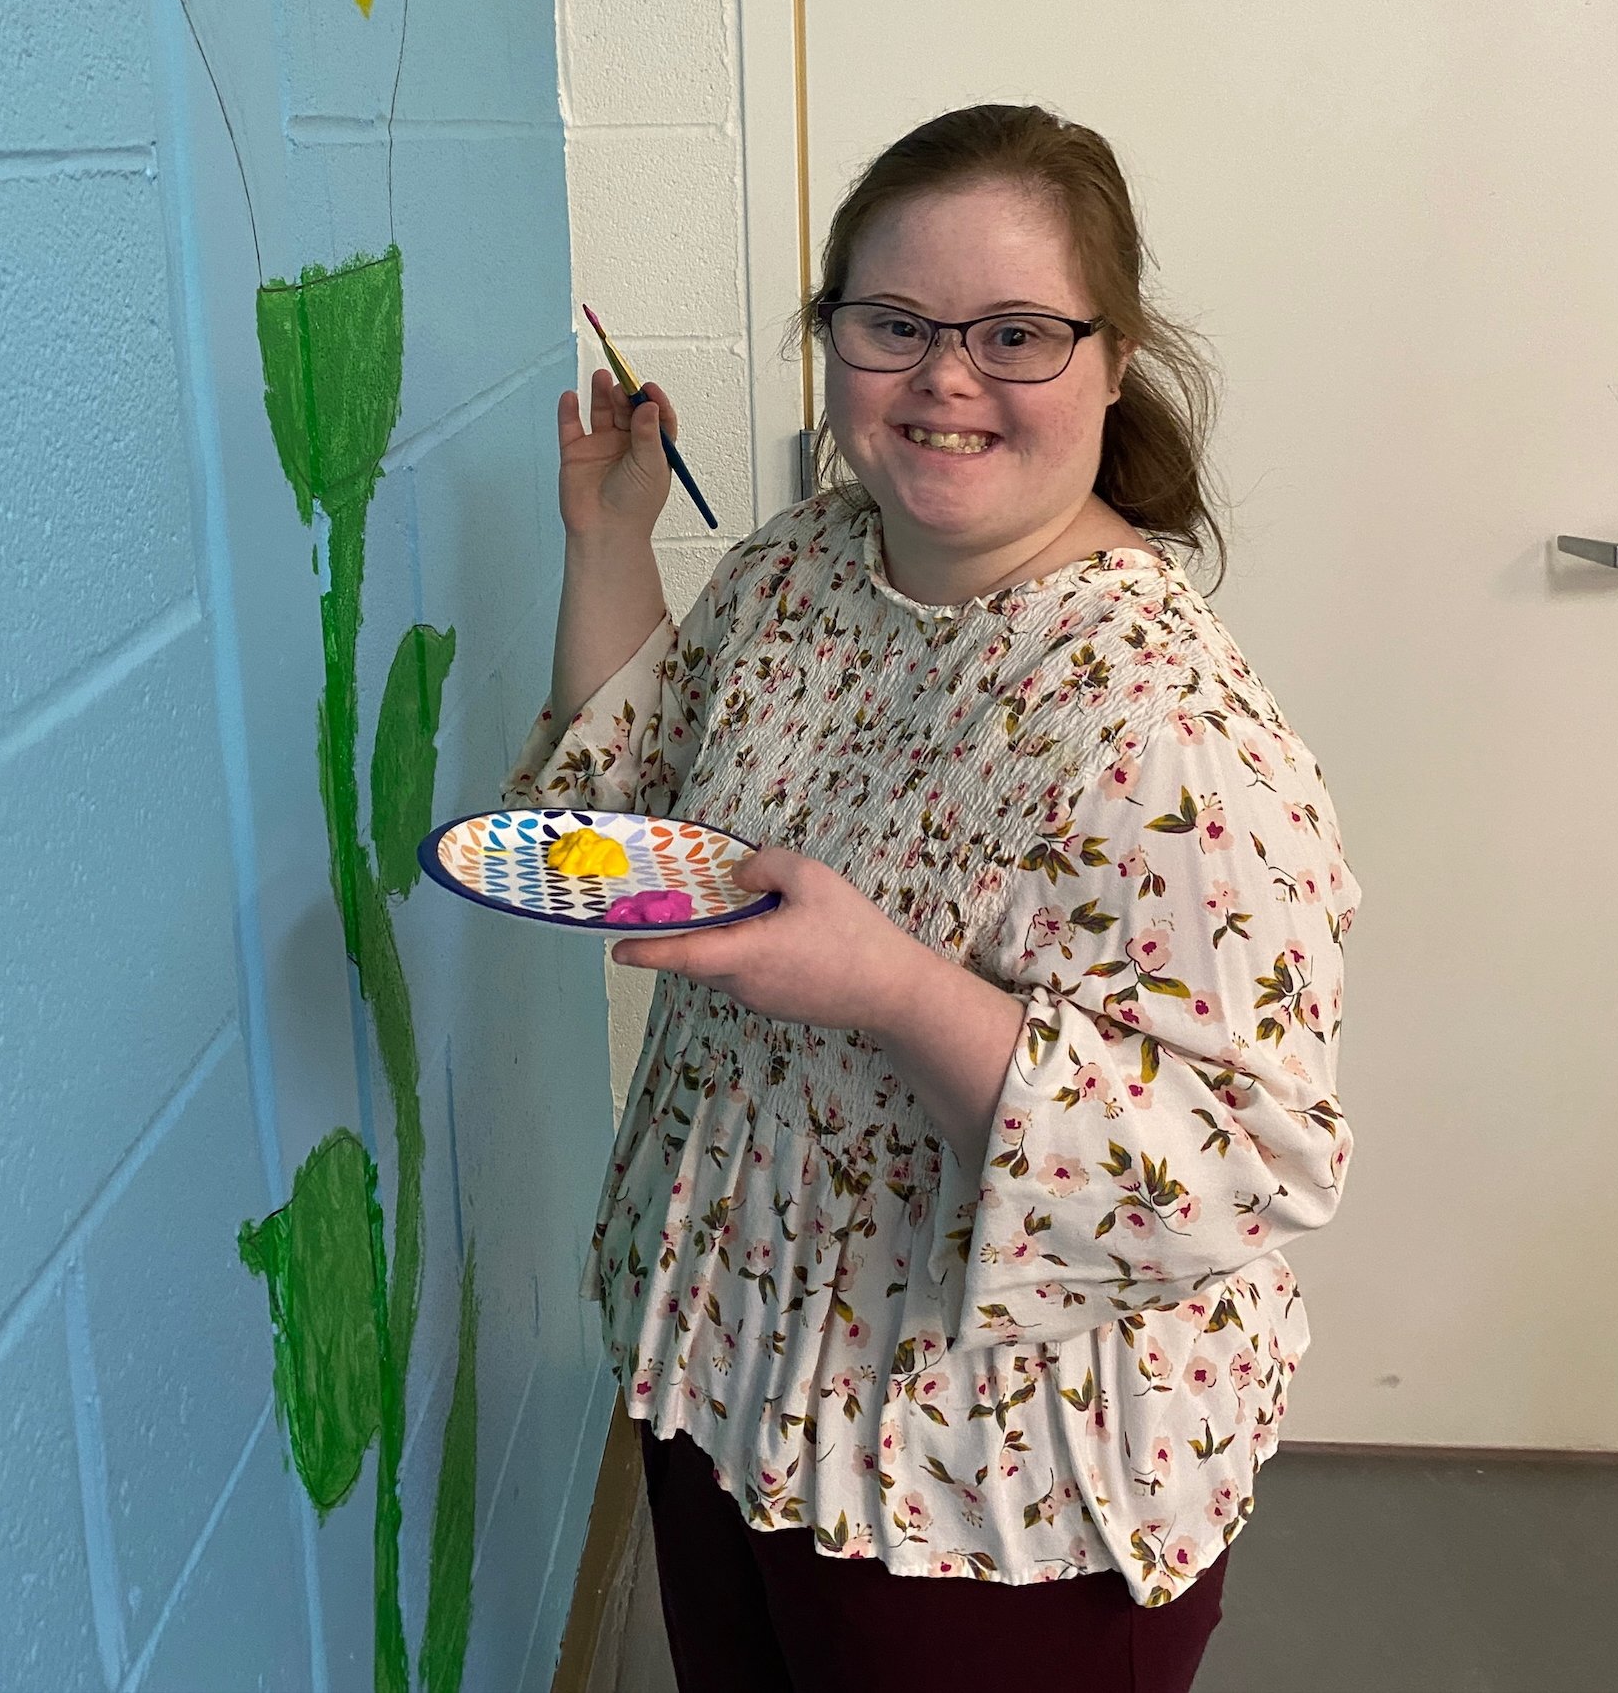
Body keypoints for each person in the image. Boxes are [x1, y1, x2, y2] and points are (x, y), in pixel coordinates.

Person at [507, 105, 1358, 1693]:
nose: (945, 377)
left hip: (989, 1491)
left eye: (1017, 334)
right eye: (892, 324)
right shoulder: (806, 567)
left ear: (1115, 361)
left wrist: (895, 987)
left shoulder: (1163, 726)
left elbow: (1230, 1171)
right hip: (731, 1378)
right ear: (830, 341)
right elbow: (631, 821)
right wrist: (609, 535)